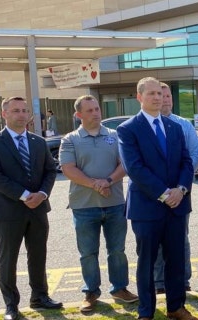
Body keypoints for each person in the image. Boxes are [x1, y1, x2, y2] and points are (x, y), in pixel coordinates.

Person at [117, 77, 197, 320]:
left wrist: (181, 190)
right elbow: (135, 168)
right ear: (139, 97)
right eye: (151, 93)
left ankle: (176, 307)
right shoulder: (128, 129)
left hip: (177, 206)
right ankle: (146, 312)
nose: (157, 98)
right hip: (147, 208)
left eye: (160, 94)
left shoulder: (174, 127)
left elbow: (186, 161)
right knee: (147, 263)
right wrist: (165, 194)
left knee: (176, 260)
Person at [0, 97, 61, 320]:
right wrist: (25, 196)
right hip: (8, 211)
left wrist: (42, 194)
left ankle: (40, 297)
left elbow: (50, 171)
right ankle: (11, 305)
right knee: (8, 259)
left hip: (38, 208)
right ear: (4, 114)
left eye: (25, 111)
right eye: (16, 110)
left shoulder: (38, 142)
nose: (22, 114)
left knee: (38, 254)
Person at [59, 95, 138, 312]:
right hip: (84, 206)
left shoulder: (114, 135)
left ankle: (119, 288)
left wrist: (109, 181)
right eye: (90, 110)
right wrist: (96, 184)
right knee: (88, 252)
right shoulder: (70, 139)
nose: (96, 113)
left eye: (97, 109)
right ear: (79, 115)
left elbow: (125, 164)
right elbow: (68, 169)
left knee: (117, 250)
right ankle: (91, 292)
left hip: (114, 204)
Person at [153, 82, 198, 295]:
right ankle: (159, 282)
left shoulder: (184, 125)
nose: (165, 99)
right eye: (161, 95)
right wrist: (162, 188)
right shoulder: (147, 125)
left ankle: (182, 280)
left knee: (180, 239)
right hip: (154, 194)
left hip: (181, 192)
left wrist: (180, 185)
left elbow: (195, 155)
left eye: (168, 95)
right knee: (156, 239)